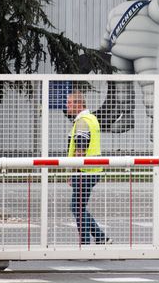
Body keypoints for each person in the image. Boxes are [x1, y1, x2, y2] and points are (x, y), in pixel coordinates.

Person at [66, 90, 112, 245]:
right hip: (94, 170)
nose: (67, 105)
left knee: (77, 207)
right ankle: (100, 238)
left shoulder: (82, 121)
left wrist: (74, 172)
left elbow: (80, 149)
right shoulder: (92, 118)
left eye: (70, 102)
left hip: (84, 171)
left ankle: (86, 244)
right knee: (79, 207)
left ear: (79, 104)